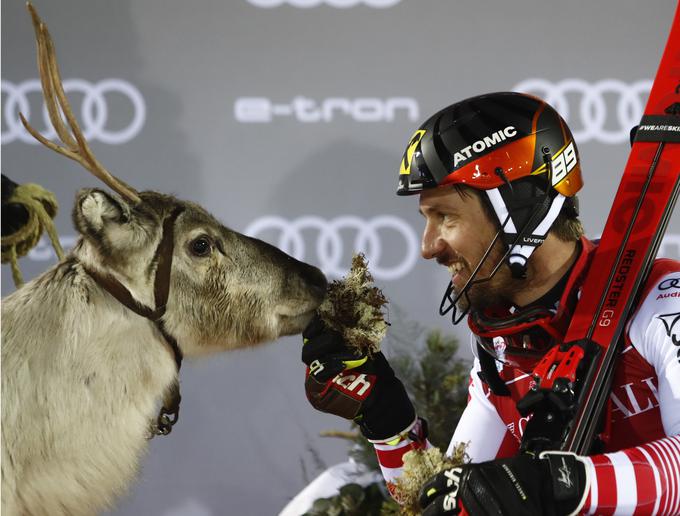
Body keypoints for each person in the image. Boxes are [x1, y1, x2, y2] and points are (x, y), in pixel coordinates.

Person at [299, 92, 680, 515]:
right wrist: (388, 420)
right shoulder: (501, 349)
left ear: (519, 210)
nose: (428, 246)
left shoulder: (662, 302)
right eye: (426, 220)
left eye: (446, 217)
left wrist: (561, 485)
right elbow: (453, 501)